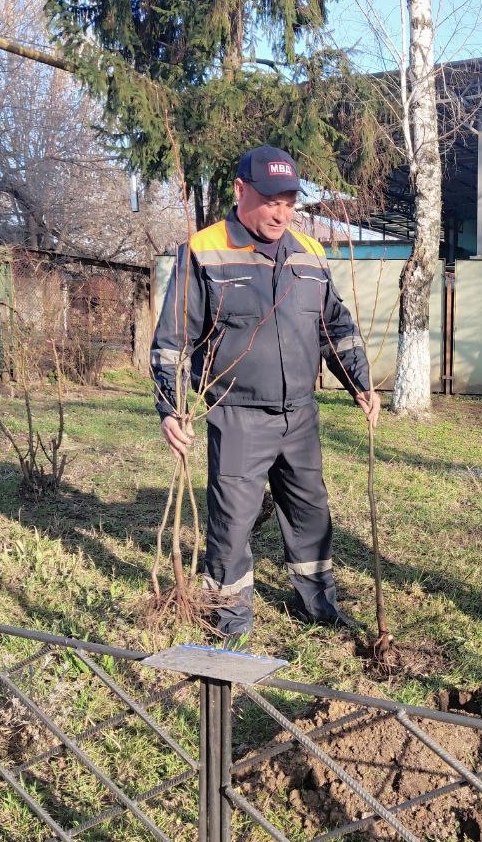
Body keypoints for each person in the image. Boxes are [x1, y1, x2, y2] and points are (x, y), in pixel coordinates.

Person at [150, 144, 380, 644]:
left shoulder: (310, 254)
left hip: (299, 414)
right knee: (232, 520)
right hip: (236, 414)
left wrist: (360, 381)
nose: (281, 211)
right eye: (271, 199)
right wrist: (171, 408)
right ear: (240, 191)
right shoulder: (204, 250)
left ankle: (318, 603)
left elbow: (333, 326)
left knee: (310, 512)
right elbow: (173, 339)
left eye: (289, 200)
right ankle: (229, 619)